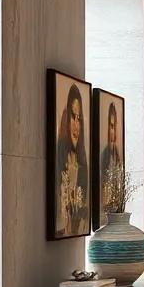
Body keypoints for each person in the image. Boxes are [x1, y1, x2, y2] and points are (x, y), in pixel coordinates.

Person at [55, 83, 89, 236]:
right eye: (73, 117)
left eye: (79, 118)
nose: (76, 125)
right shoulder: (60, 161)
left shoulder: (81, 165)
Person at [99, 100, 122, 223]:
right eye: (111, 126)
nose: (113, 131)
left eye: (115, 126)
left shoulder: (117, 155)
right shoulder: (104, 155)